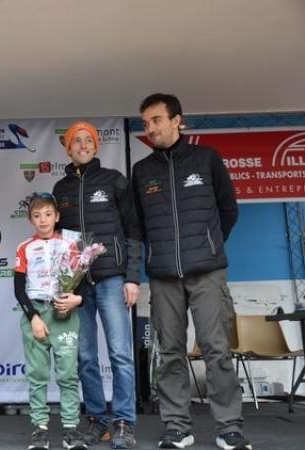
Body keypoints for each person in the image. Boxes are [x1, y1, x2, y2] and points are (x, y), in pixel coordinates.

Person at [132, 93, 250, 450]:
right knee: (169, 352)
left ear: (177, 120)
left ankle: (229, 425)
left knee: (217, 349)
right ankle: (177, 426)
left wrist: (209, 246)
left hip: (207, 273)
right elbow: (138, 225)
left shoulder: (207, 159)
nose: (150, 128)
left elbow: (228, 209)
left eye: (156, 120)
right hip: (164, 276)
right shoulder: (142, 171)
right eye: (145, 123)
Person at [52, 121, 141, 449]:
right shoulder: (60, 189)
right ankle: (96, 419)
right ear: (68, 148)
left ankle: (123, 421)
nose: (83, 145)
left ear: (97, 145)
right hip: (78, 285)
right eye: (77, 141)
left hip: (112, 278)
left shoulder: (115, 180)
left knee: (119, 353)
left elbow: (133, 229)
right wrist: (63, 284)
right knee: (85, 355)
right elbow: (59, 242)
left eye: (89, 140)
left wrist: (132, 277)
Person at [14, 192, 87, 450]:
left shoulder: (70, 244)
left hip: (64, 314)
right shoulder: (24, 247)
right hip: (36, 314)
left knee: (68, 374)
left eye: (47, 214)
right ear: (30, 220)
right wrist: (33, 317)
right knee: (38, 375)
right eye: (37, 216)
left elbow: (83, 282)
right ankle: (40, 429)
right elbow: (19, 289)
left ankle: (71, 428)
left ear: (56, 216)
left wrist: (76, 300)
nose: (43, 220)